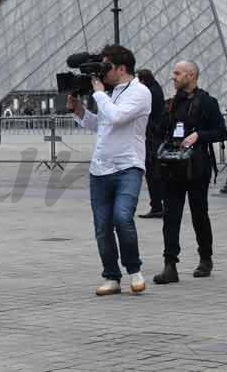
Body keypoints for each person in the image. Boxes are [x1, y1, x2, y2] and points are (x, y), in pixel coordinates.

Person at [68, 44, 151, 296]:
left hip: (128, 167)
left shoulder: (140, 92)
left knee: (122, 218)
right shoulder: (111, 92)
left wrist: (99, 93)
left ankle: (134, 271)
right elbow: (101, 124)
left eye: (107, 67)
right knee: (102, 226)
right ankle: (111, 277)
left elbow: (116, 117)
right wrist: (79, 111)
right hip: (100, 169)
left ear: (122, 68)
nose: (103, 73)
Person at [153, 61, 225, 284]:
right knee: (170, 216)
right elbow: (158, 131)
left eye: (177, 73)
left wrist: (199, 136)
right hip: (172, 167)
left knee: (199, 214)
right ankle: (170, 265)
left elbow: (222, 131)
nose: (172, 76)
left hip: (197, 167)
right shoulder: (171, 104)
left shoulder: (207, 102)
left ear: (191, 75)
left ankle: (205, 258)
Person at [137, 69, 167, 219]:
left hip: (152, 138)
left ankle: (157, 206)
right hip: (155, 137)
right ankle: (158, 205)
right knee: (155, 172)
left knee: (153, 172)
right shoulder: (156, 89)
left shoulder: (150, 92)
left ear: (143, 80)